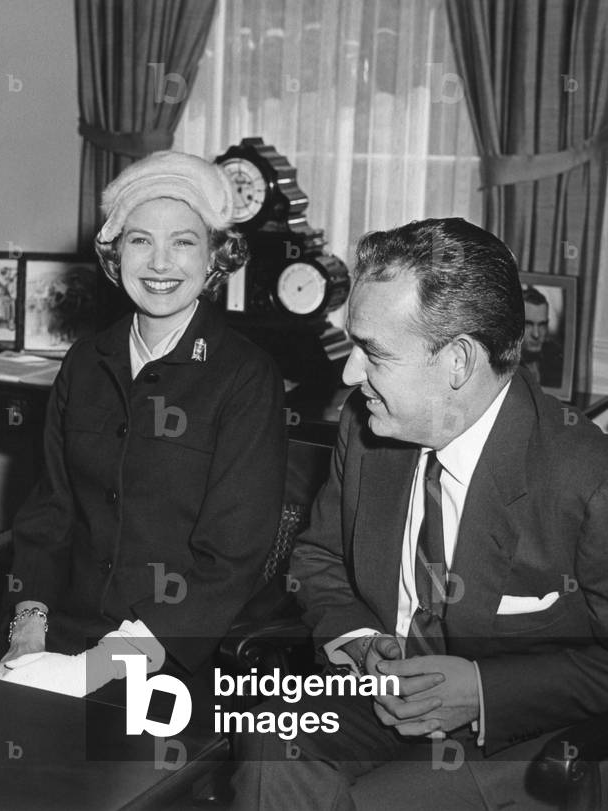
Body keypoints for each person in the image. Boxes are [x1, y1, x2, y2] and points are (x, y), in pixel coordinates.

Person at [232, 218, 608, 809]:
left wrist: (481, 691)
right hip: (378, 696)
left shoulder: (586, 476)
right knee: (268, 746)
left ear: (457, 361)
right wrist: (361, 642)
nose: (350, 374)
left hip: (521, 728)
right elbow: (320, 557)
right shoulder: (366, 426)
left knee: (378, 802)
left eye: (373, 352)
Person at [0, 151, 286, 696]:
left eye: (183, 242)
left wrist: (95, 668)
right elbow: (50, 515)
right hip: (62, 629)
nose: (160, 263)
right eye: (140, 240)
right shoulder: (86, 362)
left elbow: (230, 560)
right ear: (115, 254)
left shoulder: (245, 377)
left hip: (173, 652)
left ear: (215, 256)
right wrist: (27, 632)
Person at [520, 286, 564, 388]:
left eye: (542, 325)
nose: (536, 334)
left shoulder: (555, 357)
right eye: (528, 324)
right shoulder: (504, 364)